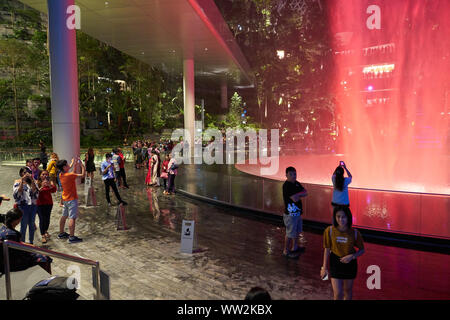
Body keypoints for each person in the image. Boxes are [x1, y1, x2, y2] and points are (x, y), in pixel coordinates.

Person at [321, 206, 365, 300]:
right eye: (338, 216)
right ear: (335, 217)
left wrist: (352, 256)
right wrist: (324, 267)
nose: (341, 219)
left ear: (348, 217)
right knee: (337, 293)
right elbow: (327, 249)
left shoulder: (355, 233)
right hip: (335, 263)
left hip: (350, 264)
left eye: (343, 217)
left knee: (348, 291)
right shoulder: (329, 231)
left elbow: (362, 250)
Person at [0, 208, 52, 274]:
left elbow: (19, 244)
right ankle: (47, 278)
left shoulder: (3, 228)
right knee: (44, 257)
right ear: (16, 220)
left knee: (38, 251)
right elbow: (20, 248)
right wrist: (34, 248)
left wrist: (33, 246)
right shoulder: (12, 234)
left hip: (6, 258)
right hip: (11, 262)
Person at [56, 157, 85, 244]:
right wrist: (82, 165)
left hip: (65, 199)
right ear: (64, 167)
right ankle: (71, 237)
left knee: (64, 216)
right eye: (67, 164)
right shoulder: (69, 175)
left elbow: (72, 173)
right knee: (72, 218)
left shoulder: (61, 174)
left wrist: (74, 164)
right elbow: (82, 175)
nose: (69, 165)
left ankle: (61, 233)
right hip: (72, 200)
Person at [282, 166, 308, 259]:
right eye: (291, 174)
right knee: (289, 233)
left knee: (296, 231)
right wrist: (299, 194)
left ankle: (295, 247)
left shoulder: (296, 183)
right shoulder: (286, 186)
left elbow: (305, 192)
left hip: (297, 213)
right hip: (290, 215)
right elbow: (295, 199)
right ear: (286, 175)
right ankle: (286, 250)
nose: (294, 176)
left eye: (295, 174)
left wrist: (298, 194)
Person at [13, 167, 39, 244]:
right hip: (23, 206)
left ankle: (31, 242)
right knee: (23, 225)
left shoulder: (33, 181)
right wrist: (22, 181)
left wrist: (31, 180)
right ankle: (22, 242)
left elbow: (35, 192)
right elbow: (17, 193)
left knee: (31, 225)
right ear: (21, 174)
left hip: (33, 206)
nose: (27, 174)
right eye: (25, 172)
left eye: (28, 172)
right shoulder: (17, 182)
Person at [36, 170, 57, 244]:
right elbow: (35, 193)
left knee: (47, 219)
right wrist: (42, 186)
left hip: (49, 203)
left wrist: (50, 185)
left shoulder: (50, 182)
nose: (45, 176)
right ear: (40, 175)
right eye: (43, 174)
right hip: (40, 204)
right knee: (42, 219)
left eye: (46, 174)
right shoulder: (37, 183)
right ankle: (42, 235)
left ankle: (45, 231)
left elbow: (54, 190)